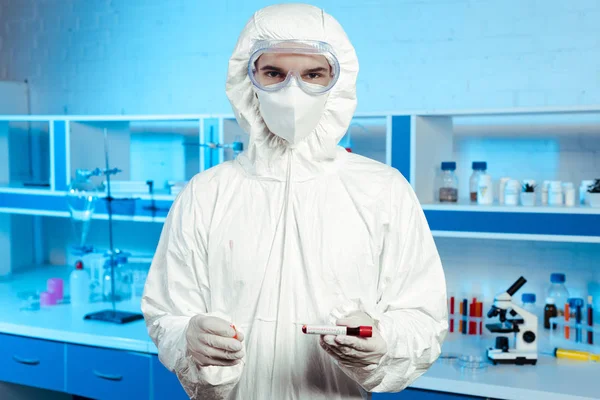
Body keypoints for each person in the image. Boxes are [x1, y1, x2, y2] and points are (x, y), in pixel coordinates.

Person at [141, 3, 447, 399]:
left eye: (312, 74)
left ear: (336, 80)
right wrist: (188, 337)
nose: (292, 91)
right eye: (274, 73)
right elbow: (166, 312)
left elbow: (423, 318)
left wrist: (381, 343)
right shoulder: (206, 194)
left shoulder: (383, 192)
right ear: (246, 78)